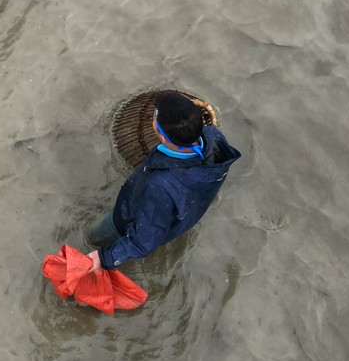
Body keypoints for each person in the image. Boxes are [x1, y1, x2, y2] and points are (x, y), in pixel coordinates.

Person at [86, 93, 242, 272]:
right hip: (181, 214)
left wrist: (104, 258)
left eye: (155, 115)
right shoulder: (213, 136)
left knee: (91, 236)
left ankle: (95, 244)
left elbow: (143, 241)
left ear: (161, 135)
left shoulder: (160, 186)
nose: (153, 114)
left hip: (127, 219)